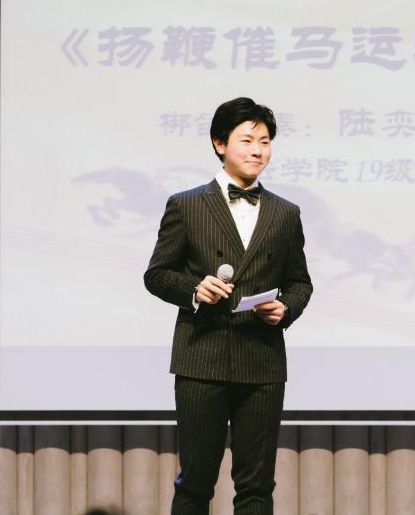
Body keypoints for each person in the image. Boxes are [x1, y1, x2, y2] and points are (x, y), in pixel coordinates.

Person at [144, 97, 313, 515]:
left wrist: (285, 309)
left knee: (256, 487)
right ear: (220, 144)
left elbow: (299, 282)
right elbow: (157, 274)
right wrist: (194, 289)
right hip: (202, 357)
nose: (258, 150)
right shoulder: (186, 204)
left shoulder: (285, 212)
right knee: (195, 483)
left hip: (262, 361)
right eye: (247, 140)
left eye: (265, 141)